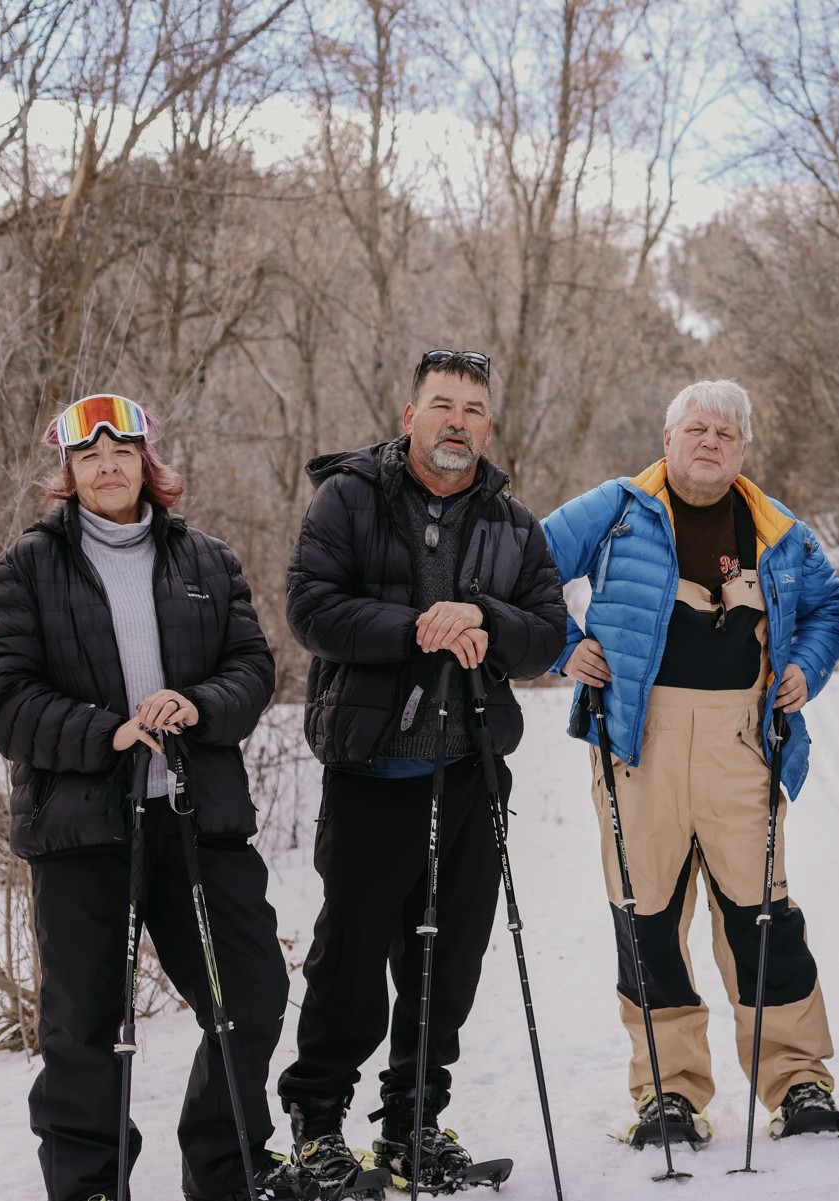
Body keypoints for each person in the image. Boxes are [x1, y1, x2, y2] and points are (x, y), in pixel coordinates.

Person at [0, 394, 292, 1201]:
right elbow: (6, 699)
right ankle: (90, 1187)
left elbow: (253, 669)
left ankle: (226, 1174)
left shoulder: (207, 561)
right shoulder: (28, 566)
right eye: (89, 456)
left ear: (148, 464)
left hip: (197, 821)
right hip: (82, 832)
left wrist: (197, 704)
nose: (108, 465)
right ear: (69, 473)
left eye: (122, 452)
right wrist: (106, 732)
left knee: (248, 995)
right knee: (83, 1031)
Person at [273, 350, 566, 1194]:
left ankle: (411, 1126)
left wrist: (482, 615)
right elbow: (311, 610)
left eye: (474, 408)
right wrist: (419, 628)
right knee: (351, 963)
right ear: (410, 416)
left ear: (487, 424)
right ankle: (317, 1130)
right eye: (443, 404)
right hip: (372, 772)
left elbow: (547, 632)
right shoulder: (348, 497)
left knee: (448, 964)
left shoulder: (512, 522)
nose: (458, 421)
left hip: (469, 771)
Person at [541, 379, 839, 1145]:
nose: (709, 442)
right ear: (669, 436)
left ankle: (799, 1081)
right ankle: (668, 1092)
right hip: (636, 746)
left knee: (762, 915)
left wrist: (808, 666)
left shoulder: (777, 528)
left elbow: (829, 606)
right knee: (646, 921)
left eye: (725, 432)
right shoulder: (616, 507)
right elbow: (523, 565)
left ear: (742, 449)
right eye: (696, 429)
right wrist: (561, 646)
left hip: (741, 744)